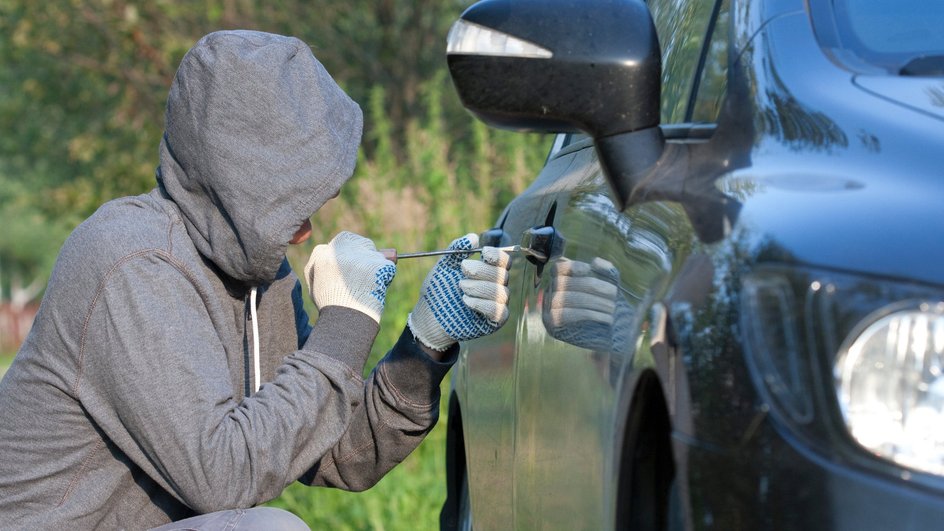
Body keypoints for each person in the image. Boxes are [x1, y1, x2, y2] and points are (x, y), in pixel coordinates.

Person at [0, 30, 511, 530]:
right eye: (290, 206)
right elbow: (222, 478)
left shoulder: (258, 276)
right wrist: (347, 319)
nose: (307, 230)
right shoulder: (133, 265)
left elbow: (337, 452)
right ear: (238, 179)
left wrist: (423, 343)